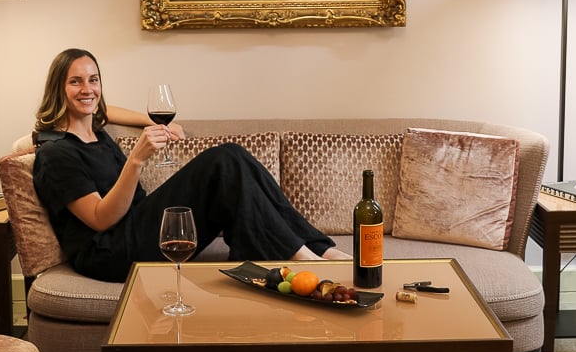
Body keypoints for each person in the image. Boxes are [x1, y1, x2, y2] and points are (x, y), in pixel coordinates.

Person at [32, 47, 350, 283]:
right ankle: (299, 254)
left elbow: (104, 108)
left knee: (234, 156)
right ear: (58, 88)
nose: (87, 89)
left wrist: (153, 121)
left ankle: (317, 248)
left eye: (94, 79)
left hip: (138, 229)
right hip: (109, 252)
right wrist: (136, 160)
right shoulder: (56, 154)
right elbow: (100, 219)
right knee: (222, 159)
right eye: (75, 82)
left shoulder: (95, 130)